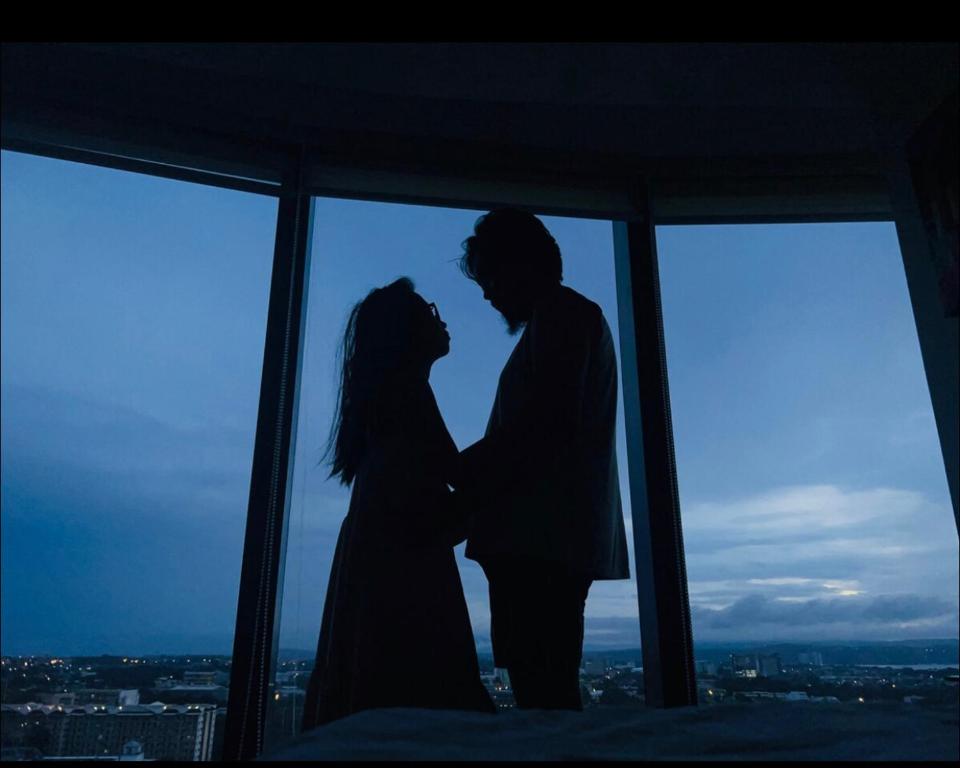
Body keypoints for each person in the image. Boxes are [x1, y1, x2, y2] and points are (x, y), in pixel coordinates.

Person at [301, 277, 495, 730]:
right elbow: (455, 477)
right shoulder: (408, 393)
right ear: (405, 332)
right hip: (403, 565)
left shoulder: (391, 398)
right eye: (428, 311)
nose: (441, 319)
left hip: (382, 558)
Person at [457, 209, 630, 710]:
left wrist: (450, 474)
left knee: (545, 692)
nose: (487, 294)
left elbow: (541, 432)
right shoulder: (559, 321)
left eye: (490, 277)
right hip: (541, 543)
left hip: (541, 545)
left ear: (518, 265)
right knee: (544, 687)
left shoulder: (564, 317)